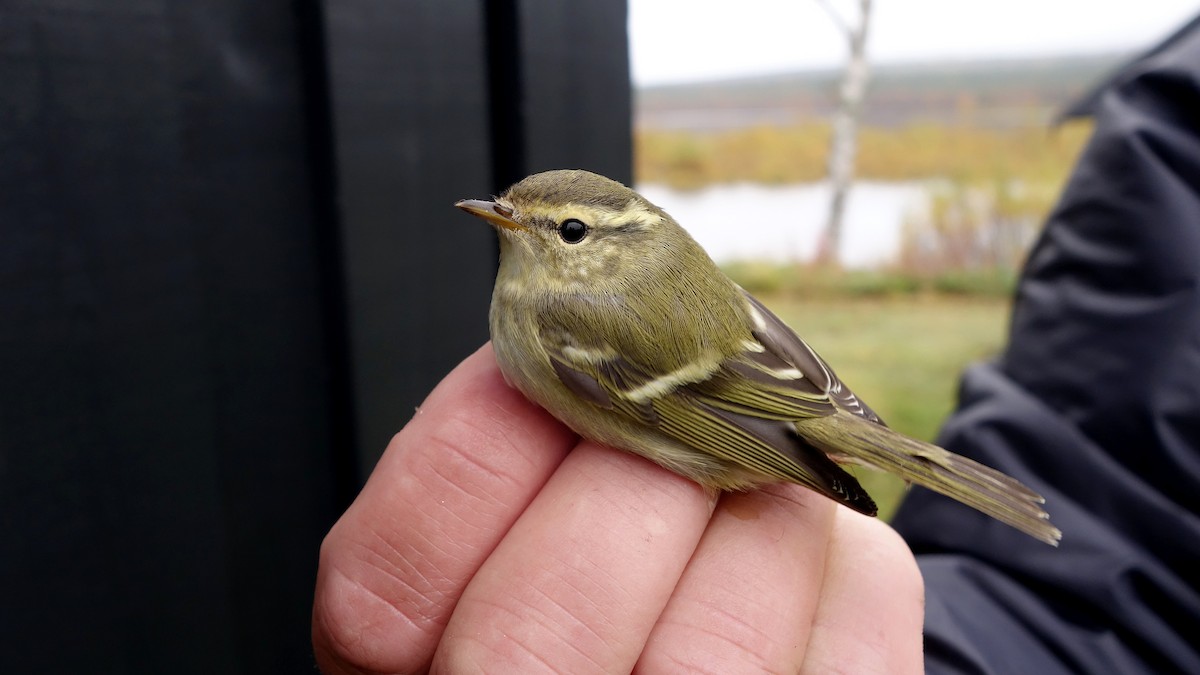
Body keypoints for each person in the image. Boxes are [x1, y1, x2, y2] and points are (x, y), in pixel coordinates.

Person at [312, 22, 1200, 674]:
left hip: (741, 415)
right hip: (781, 375)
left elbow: (708, 405)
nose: (518, 228)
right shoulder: (593, 290)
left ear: (616, 242)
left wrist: (817, 453)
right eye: (515, 214)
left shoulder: (563, 322)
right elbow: (754, 345)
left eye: (567, 230)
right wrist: (831, 411)